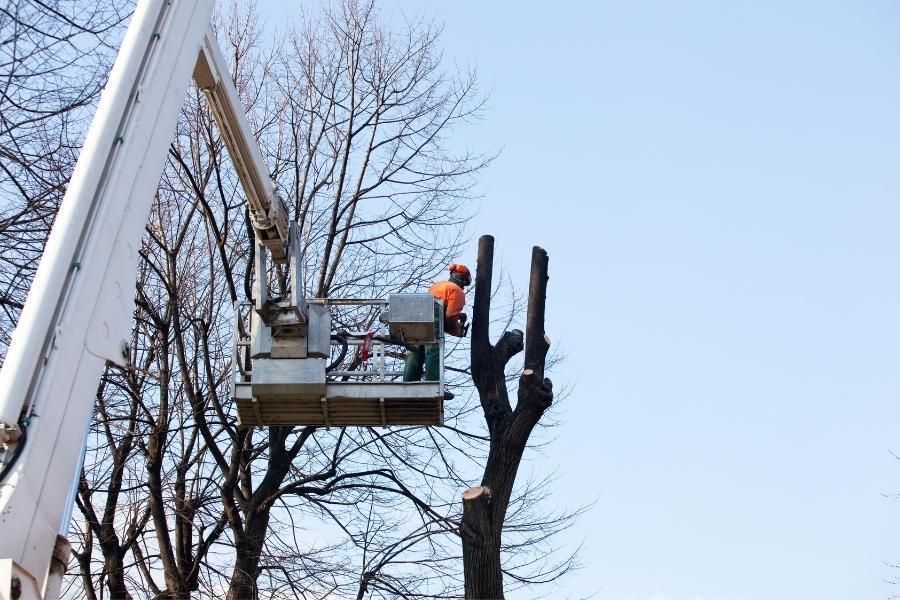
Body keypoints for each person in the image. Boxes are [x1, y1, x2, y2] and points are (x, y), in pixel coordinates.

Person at [403, 264, 471, 383]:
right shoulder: (457, 291)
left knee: (415, 348)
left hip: (417, 311)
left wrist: (457, 317)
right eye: (464, 284)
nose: (463, 288)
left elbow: (442, 313)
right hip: (433, 311)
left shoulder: (437, 286)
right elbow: (450, 316)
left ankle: (409, 382)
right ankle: (432, 382)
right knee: (433, 347)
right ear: (462, 278)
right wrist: (456, 331)